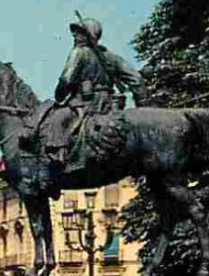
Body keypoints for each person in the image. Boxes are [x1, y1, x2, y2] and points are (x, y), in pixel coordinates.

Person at [40, 17, 143, 174]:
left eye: (79, 33)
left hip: (85, 103)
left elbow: (67, 79)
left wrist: (59, 95)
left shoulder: (79, 53)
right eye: (74, 33)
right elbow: (137, 80)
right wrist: (142, 106)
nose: (74, 36)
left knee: (56, 120)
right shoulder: (111, 57)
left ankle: (59, 159)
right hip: (109, 105)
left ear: (90, 36)